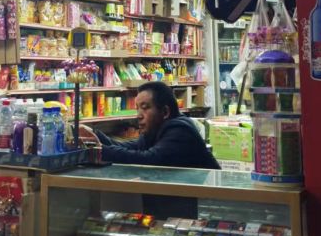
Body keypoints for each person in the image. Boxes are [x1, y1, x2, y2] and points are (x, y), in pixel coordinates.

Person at [79, 81, 219, 218]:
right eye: (137, 109)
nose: (139, 115)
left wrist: (99, 151)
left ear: (165, 112)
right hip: (173, 208)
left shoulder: (180, 130)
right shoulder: (154, 130)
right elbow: (126, 147)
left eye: (145, 108)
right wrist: (93, 134)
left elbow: (149, 159)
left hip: (206, 212)